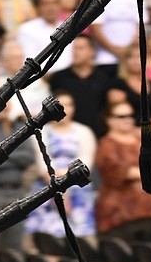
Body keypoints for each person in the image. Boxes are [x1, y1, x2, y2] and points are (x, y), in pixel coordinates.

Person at [24, 90, 97, 238]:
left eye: (69, 105)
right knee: (47, 242)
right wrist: (59, 181)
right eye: (61, 105)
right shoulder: (40, 133)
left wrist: (67, 181)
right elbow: (41, 165)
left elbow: (86, 162)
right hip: (47, 188)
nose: (65, 109)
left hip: (77, 189)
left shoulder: (84, 131)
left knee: (81, 240)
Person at [94, 101, 151, 241]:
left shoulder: (142, 141)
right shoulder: (106, 144)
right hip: (119, 217)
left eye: (130, 115)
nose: (128, 120)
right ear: (109, 120)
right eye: (121, 116)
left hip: (148, 214)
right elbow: (116, 171)